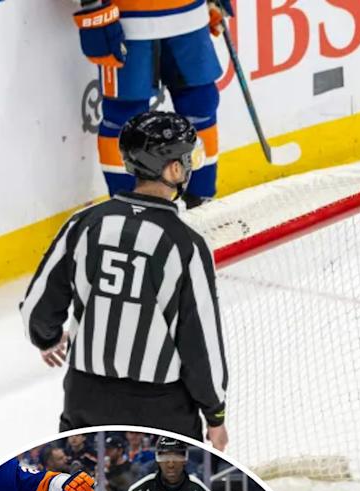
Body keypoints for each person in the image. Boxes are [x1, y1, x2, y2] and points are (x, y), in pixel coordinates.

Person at [18, 110, 229, 450]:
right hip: (161, 407)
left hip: (85, 394)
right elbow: (200, 341)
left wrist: (48, 338)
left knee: (83, 480)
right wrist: (215, 413)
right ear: (173, 170)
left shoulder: (84, 223)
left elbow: (36, 309)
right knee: (166, 483)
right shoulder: (186, 243)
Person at [70, 0, 232, 208]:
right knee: (124, 115)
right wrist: (92, 7)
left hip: (190, 15)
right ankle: (126, 207)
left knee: (200, 104)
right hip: (128, 21)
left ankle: (202, 200)